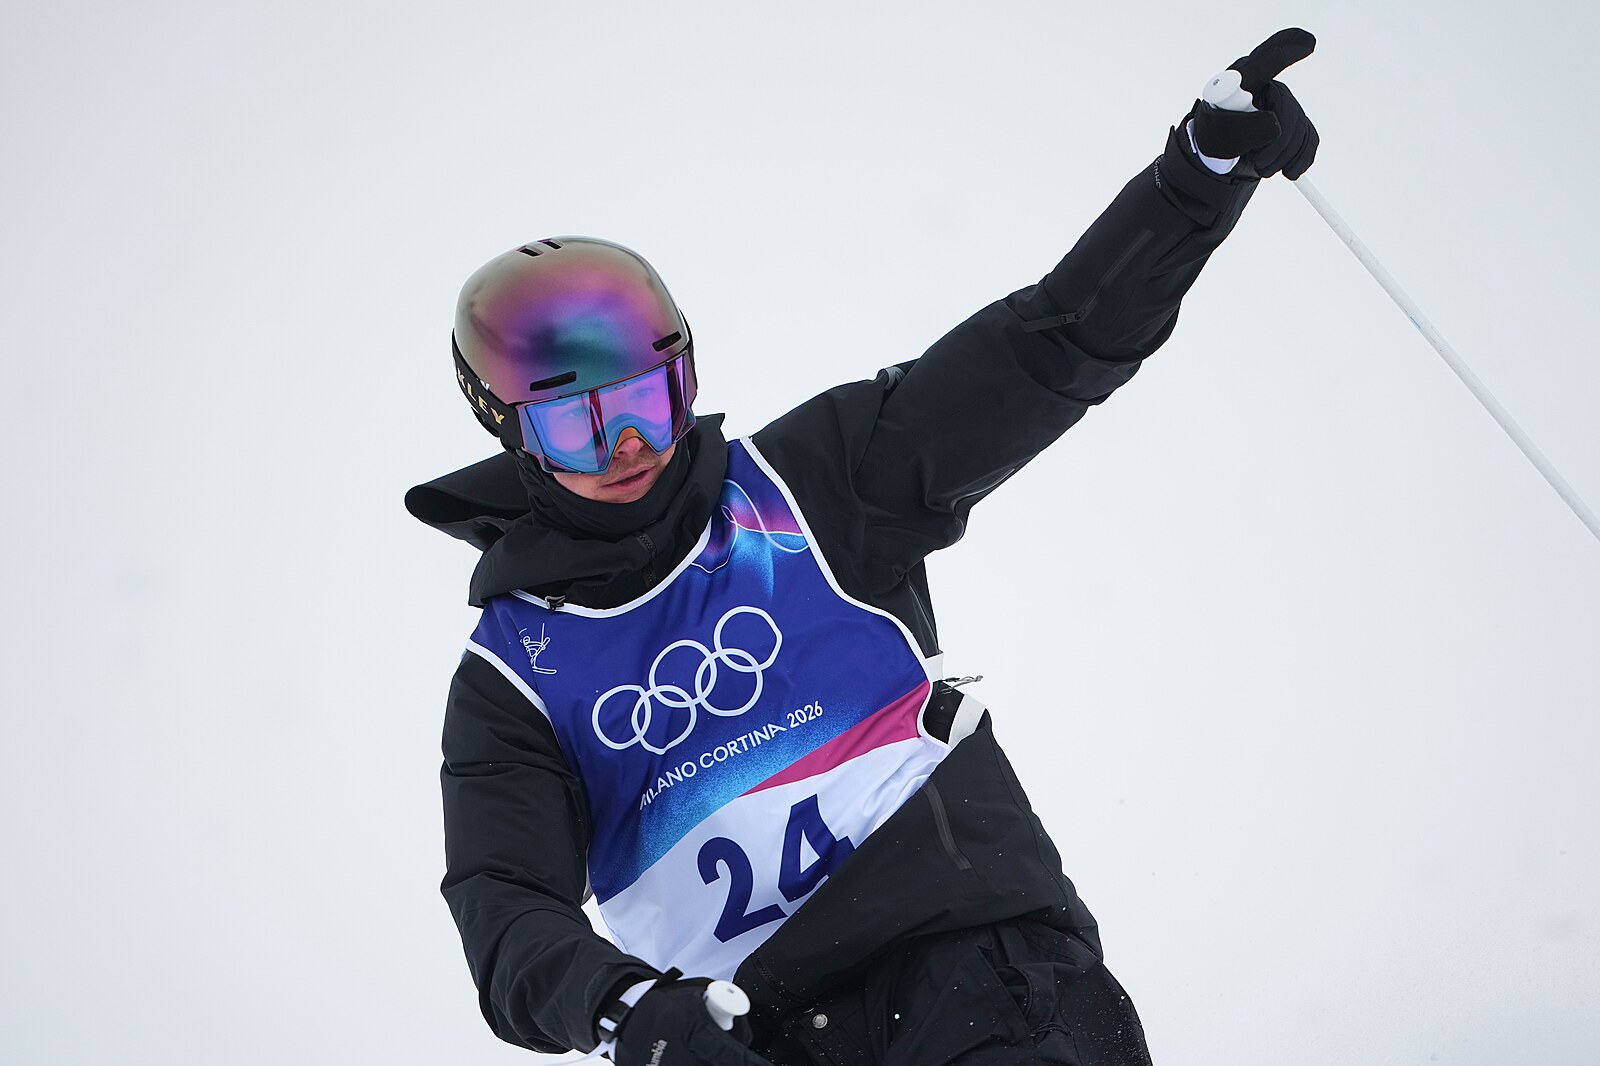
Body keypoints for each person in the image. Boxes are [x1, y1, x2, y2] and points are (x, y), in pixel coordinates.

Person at [406, 30, 1319, 1066]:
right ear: (509, 429)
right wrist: (628, 1011)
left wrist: (1190, 184)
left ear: (686, 382)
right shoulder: (513, 681)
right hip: (768, 1041)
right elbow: (506, 911)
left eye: (649, 405)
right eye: (577, 425)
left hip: (980, 979)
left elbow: (1047, 346)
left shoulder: (813, 485)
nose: (627, 448)